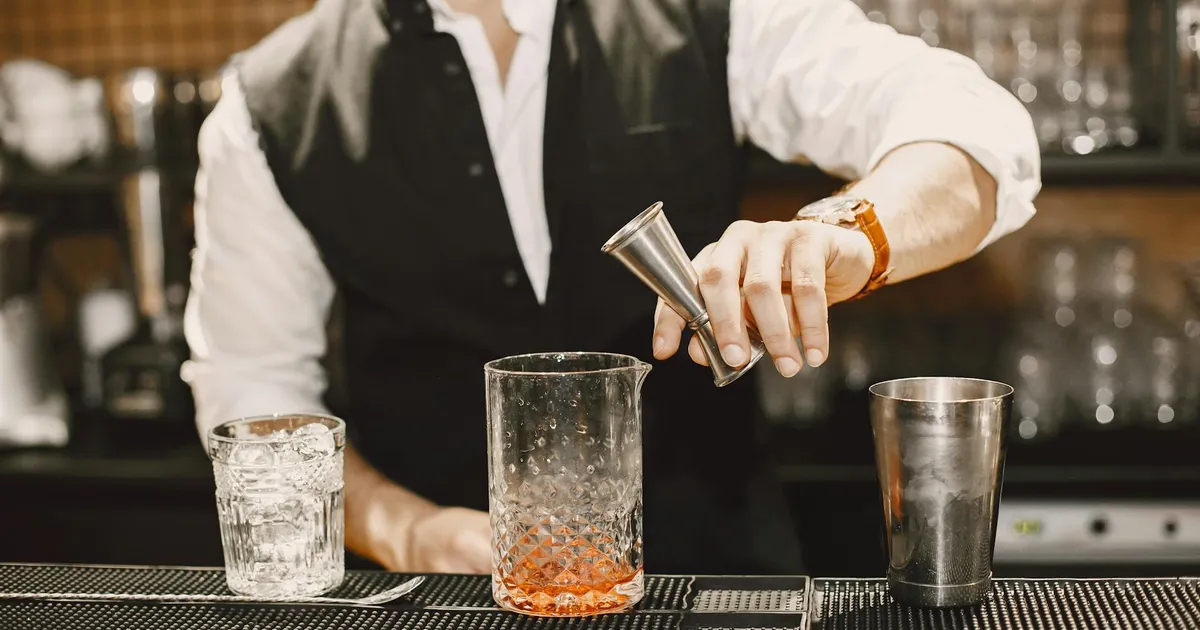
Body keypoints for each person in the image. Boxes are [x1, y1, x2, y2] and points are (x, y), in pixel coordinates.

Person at [183, 0, 1040, 575]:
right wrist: (405, 530)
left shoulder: (715, 13)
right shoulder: (268, 108)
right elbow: (253, 392)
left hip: (719, 581)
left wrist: (845, 231)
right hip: (449, 601)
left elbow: (973, 131)